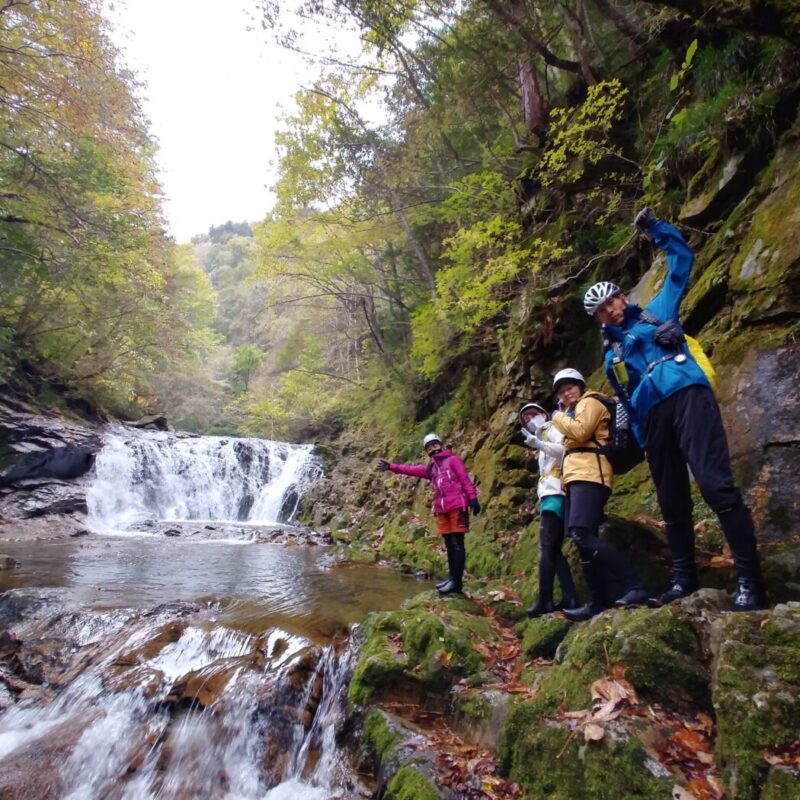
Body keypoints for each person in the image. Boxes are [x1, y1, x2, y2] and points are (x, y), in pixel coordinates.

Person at [583, 207, 765, 612]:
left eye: (612, 300)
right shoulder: (612, 357)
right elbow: (627, 400)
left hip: (688, 396)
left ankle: (751, 583)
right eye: (602, 310)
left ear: (622, 297)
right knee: (671, 501)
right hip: (655, 419)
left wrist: (655, 229)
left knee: (716, 485)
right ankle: (684, 581)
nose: (611, 309)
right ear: (598, 319)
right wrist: (642, 438)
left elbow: (683, 261)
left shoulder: (657, 310)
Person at [549, 369, 650, 621]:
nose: (566, 393)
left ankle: (635, 586)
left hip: (591, 472)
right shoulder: (574, 411)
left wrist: (556, 417)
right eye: (561, 391)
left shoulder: (590, 402)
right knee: (581, 538)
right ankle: (597, 600)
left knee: (581, 533)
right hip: (577, 475)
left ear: (580, 386)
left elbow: (581, 432)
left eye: (569, 387)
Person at [377, 433, 480, 595]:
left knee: (457, 544)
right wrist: (391, 467)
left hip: (458, 506)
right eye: (429, 447)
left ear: (441, 445)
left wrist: (473, 498)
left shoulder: (453, 460)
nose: (433, 449)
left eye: (434, 445)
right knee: (449, 544)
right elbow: (410, 469)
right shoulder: (431, 468)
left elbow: (464, 479)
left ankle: (457, 583)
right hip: (442, 509)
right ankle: (452, 578)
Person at [519, 402, 578, 617]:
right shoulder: (542, 435)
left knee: (545, 546)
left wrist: (540, 445)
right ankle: (570, 597)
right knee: (553, 549)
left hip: (557, 492)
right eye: (525, 419)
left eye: (533, 414)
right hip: (549, 494)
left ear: (544, 413)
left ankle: (545, 600)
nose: (530, 419)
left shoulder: (553, 427)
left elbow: (564, 449)